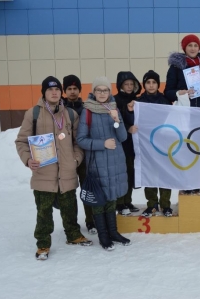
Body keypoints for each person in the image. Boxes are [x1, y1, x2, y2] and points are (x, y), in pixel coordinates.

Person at [15, 76, 92, 260]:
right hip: (44, 173)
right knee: (44, 212)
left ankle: (73, 235)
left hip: (67, 172)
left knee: (69, 208)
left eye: (57, 89)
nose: (54, 92)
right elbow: (21, 141)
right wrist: (27, 160)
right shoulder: (33, 114)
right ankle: (43, 244)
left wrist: (76, 159)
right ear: (44, 93)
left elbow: (77, 142)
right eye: (50, 90)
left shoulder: (70, 114)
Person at [76, 76, 130, 250]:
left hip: (115, 161)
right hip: (97, 163)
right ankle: (103, 236)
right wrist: (102, 144)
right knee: (100, 199)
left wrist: (117, 120)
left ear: (109, 91)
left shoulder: (114, 108)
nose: (102, 93)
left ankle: (113, 232)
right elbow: (81, 140)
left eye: (105, 90)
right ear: (93, 92)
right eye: (98, 90)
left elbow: (122, 137)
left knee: (112, 197)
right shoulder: (88, 111)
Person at [164, 34, 200, 195]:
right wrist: (179, 92)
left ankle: (198, 180)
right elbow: (167, 92)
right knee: (185, 149)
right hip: (184, 114)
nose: (193, 48)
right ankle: (186, 182)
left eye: (195, 45)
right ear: (184, 48)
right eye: (189, 45)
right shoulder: (176, 67)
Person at [128, 70, 173, 218]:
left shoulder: (165, 100)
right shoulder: (138, 102)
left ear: (158, 85)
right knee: (150, 173)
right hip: (146, 144)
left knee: (165, 174)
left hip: (163, 143)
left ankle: (166, 205)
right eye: (148, 82)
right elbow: (131, 119)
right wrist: (130, 111)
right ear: (144, 84)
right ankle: (152, 204)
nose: (151, 85)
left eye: (154, 82)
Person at [62, 74, 97, 235]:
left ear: (80, 90)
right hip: (65, 156)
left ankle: (91, 221)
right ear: (65, 90)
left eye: (75, 88)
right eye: (69, 89)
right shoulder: (59, 109)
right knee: (68, 192)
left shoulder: (86, 108)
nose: (72, 91)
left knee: (87, 188)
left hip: (83, 156)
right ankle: (71, 224)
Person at [113, 71, 142, 215]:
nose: (130, 87)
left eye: (132, 84)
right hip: (120, 144)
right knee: (121, 174)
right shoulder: (114, 100)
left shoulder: (138, 100)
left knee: (130, 172)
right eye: (126, 84)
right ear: (120, 85)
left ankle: (127, 200)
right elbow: (113, 122)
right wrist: (126, 129)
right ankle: (119, 202)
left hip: (133, 144)